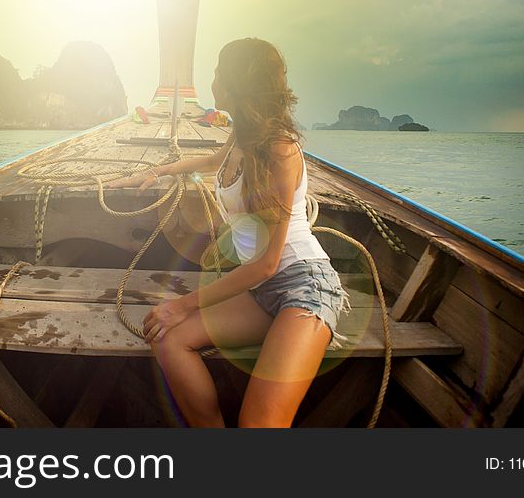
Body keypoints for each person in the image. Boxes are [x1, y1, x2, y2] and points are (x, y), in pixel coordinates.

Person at [106, 38, 350, 427]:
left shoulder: (279, 152)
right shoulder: (242, 136)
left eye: (219, 71)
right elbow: (209, 159)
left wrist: (182, 304)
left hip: (303, 288)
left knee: (259, 425)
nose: (213, 78)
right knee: (169, 339)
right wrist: (154, 172)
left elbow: (269, 264)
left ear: (238, 83)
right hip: (256, 289)